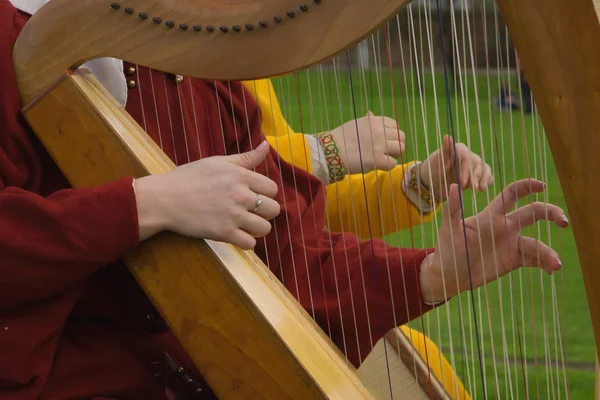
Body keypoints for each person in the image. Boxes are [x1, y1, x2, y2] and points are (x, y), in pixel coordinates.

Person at [0, 1, 567, 400]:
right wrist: (147, 204)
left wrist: (434, 274)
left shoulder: (200, 71)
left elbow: (290, 257)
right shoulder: (12, 41)